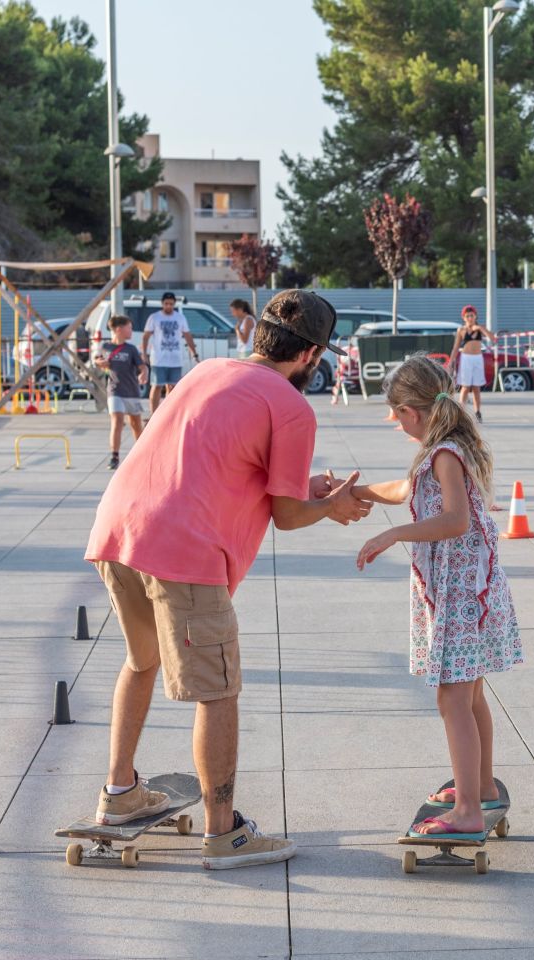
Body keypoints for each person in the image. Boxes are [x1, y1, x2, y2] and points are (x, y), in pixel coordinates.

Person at [85, 289, 372, 869]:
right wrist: (333, 506)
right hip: (183, 551)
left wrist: (311, 486)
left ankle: (119, 794)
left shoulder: (209, 369)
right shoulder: (292, 408)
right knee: (219, 689)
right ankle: (224, 832)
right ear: (312, 355)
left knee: (142, 661)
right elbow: (288, 516)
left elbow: (227, 462)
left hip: (119, 529)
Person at [354, 356, 522, 837]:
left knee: (452, 700)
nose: (398, 426)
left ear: (411, 410)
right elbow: (405, 487)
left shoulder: (445, 453)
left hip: (461, 593)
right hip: (468, 588)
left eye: (397, 417)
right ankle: (482, 787)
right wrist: (355, 491)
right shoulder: (446, 447)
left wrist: (393, 535)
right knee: (469, 697)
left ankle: (468, 808)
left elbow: (455, 520)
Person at [94, 315, 146, 470]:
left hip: (131, 390)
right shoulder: (106, 347)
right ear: (118, 329)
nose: (131, 330)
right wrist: (99, 363)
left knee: (136, 424)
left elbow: (142, 366)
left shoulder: (131, 349)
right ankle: (114, 456)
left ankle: (141, 453)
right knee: (117, 421)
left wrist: (144, 373)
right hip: (115, 389)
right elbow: (97, 359)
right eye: (129, 327)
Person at [141, 292, 197, 412]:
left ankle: (169, 412)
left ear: (174, 304)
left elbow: (187, 335)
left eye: (171, 304)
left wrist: (194, 352)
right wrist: (144, 353)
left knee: (173, 388)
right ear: (162, 304)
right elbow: (146, 336)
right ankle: (153, 414)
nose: (168, 306)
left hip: (175, 359)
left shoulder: (180, 317)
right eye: (166, 304)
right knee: (156, 386)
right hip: (159, 359)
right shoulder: (155, 317)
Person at [452, 305, 493, 422]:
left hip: (477, 358)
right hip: (466, 358)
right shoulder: (462, 330)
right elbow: (456, 347)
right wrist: (451, 361)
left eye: (472, 315)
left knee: (476, 387)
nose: (470, 318)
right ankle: (460, 413)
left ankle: (477, 411)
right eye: (467, 316)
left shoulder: (480, 328)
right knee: (465, 387)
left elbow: (492, 338)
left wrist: (480, 328)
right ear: (464, 318)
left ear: (475, 316)